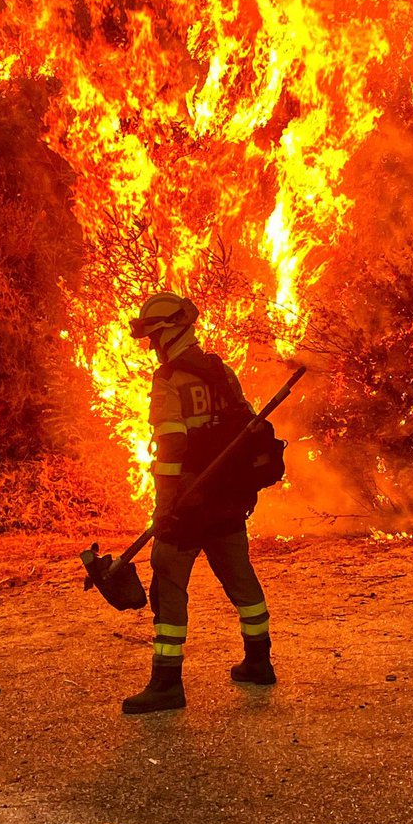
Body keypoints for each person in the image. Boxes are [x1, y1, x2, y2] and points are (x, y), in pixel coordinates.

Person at [122, 291, 276, 715]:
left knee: (169, 581)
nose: (152, 347)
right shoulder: (222, 371)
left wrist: (165, 506)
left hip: (190, 502)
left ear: (169, 332)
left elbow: (171, 445)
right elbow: (246, 427)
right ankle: (259, 661)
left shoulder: (169, 379)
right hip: (226, 497)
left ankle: (167, 683)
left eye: (153, 338)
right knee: (240, 576)